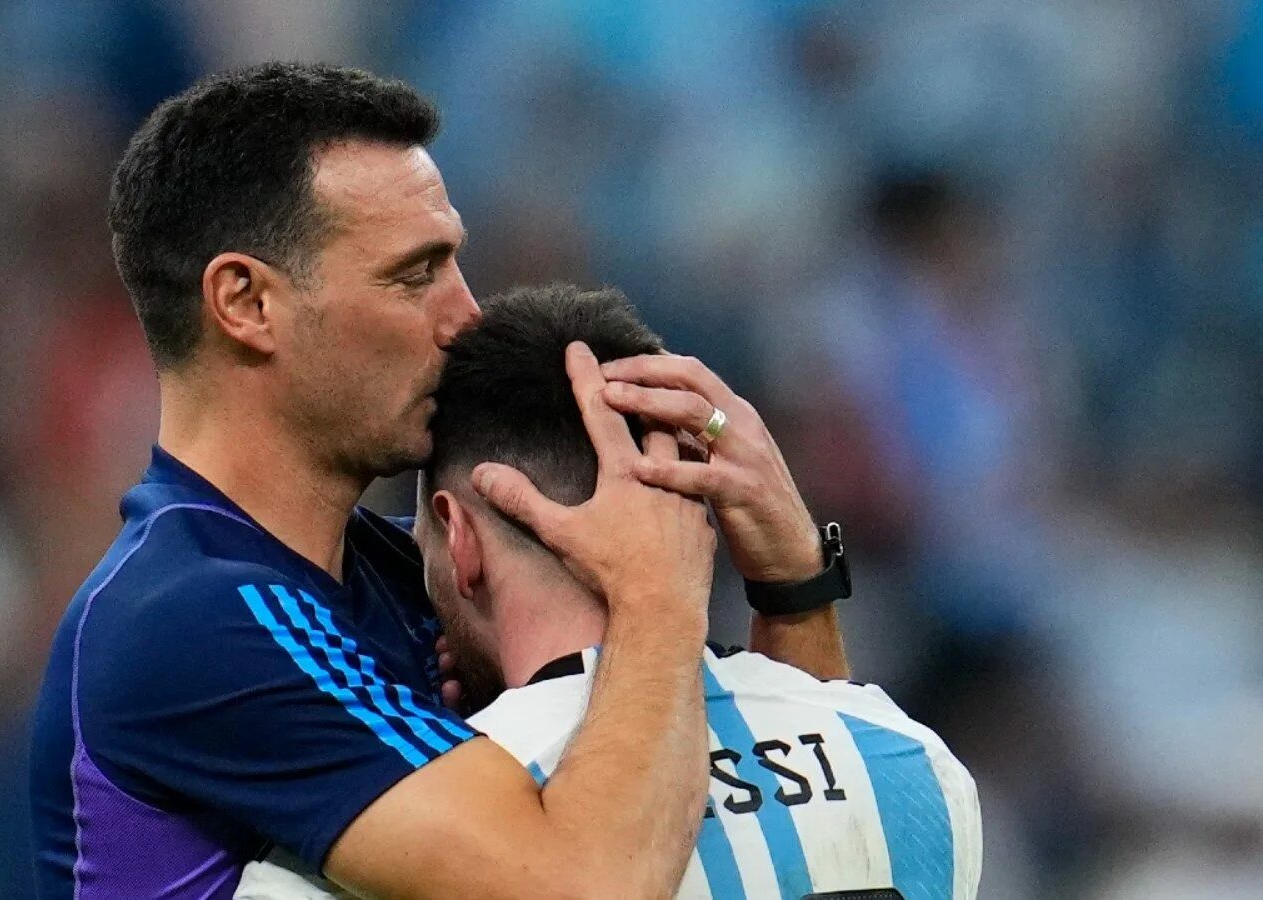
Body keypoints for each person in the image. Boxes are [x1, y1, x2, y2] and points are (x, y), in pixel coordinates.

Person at [31, 62, 844, 898]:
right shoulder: (189, 620)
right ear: (246, 302)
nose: (467, 317)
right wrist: (661, 596)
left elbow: (798, 834)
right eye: (416, 274)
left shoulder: (412, 580)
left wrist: (793, 590)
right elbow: (584, 887)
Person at [236, 284, 981, 899]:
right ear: (695, 493)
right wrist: (796, 588)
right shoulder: (915, 767)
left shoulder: (388, 848)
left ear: (457, 537)